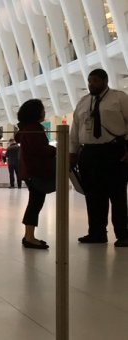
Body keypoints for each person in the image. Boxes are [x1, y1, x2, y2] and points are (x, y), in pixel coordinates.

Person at [70, 68, 128, 247]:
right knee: (93, 195)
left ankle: (123, 234)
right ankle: (96, 233)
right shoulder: (83, 102)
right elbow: (75, 130)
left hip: (114, 151)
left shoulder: (119, 98)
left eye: (95, 80)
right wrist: (72, 153)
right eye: (89, 81)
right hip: (89, 153)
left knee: (117, 195)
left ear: (104, 81)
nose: (91, 84)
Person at [15, 99, 55, 249]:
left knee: (35, 202)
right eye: (42, 109)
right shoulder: (33, 129)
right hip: (35, 171)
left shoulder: (27, 129)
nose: (44, 112)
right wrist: (55, 150)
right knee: (35, 203)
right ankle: (30, 237)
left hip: (31, 171)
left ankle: (29, 235)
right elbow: (39, 149)